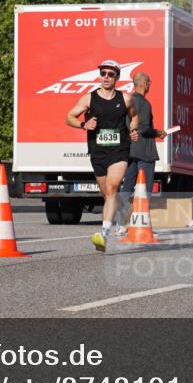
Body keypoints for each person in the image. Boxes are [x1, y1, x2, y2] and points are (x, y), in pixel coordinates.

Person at [65, 59, 139, 252]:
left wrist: (133, 128)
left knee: (113, 187)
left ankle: (104, 233)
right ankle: (119, 212)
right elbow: (69, 117)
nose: (106, 77)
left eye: (110, 74)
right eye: (103, 73)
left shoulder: (126, 99)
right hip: (98, 151)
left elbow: (134, 115)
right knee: (107, 193)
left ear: (117, 77)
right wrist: (83, 125)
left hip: (119, 149)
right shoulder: (89, 98)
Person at [116, 72, 166, 235]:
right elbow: (144, 128)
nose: (150, 85)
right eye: (149, 82)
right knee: (146, 188)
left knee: (127, 186)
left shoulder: (127, 100)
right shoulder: (143, 103)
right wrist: (158, 132)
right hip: (144, 151)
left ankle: (120, 223)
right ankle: (143, 223)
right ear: (144, 84)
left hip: (129, 150)